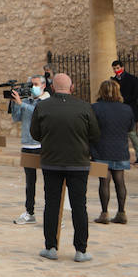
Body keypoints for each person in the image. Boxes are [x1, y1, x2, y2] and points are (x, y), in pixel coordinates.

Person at [31, 73, 100, 262]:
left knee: (51, 204)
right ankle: (81, 250)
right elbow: (94, 133)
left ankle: (51, 247)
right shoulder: (84, 107)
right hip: (78, 163)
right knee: (80, 206)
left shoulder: (42, 107)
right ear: (72, 87)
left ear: (52, 87)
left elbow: (35, 133)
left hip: (51, 162)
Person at [90, 80, 134, 224]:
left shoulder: (95, 108)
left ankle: (104, 213)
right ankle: (122, 212)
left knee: (104, 182)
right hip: (120, 149)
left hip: (101, 149)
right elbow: (130, 128)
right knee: (120, 182)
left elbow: (91, 129)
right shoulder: (127, 109)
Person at [9, 75, 49, 225]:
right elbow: (16, 118)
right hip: (27, 145)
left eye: (36, 84)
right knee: (29, 182)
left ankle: (51, 213)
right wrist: (15, 104)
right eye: (32, 84)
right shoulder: (26, 101)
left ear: (44, 85)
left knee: (49, 182)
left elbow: (40, 114)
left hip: (42, 146)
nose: (33, 87)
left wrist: (22, 104)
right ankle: (29, 211)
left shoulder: (47, 101)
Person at [111, 60, 138, 165]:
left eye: (117, 68)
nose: (116, 70)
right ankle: (122, 156)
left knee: (132, 135)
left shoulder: (132, 79)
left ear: (122, 67)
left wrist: (123, 99)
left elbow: (137, 94)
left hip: (129, 109)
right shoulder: (112, 80)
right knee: (119, 136)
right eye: (114, 68)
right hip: (117, 110)